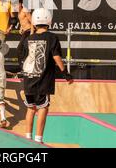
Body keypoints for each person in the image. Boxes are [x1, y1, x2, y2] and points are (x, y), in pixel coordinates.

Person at [21, 8, 73, 143]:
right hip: (42, 80)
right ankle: (38, 139)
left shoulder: (29, 38)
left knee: (30, 108)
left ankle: (27, 137)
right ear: (49, 21)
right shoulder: (52, 37)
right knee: (43, 107)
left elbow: (23, 55)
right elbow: (56, 57)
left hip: (28, 78)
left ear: (34, 22)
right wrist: (65, 74)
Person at [13, 0, 34, 65]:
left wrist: (32, 33)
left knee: (19, 49)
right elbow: (23, 22)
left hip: (29, 32)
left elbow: (32, 22)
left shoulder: (25, 10)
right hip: (25, 32)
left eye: (16, 4)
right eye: (14, 5)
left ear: (20, 4)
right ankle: (24, 66)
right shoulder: (19, 13)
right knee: (24, 50)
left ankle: (23, 66)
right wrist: (21, 28)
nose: (15, 6)